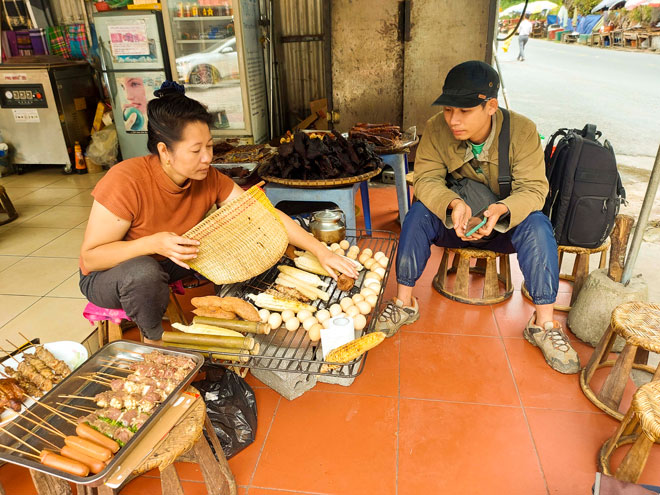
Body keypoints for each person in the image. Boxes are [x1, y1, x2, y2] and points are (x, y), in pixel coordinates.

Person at [79, 81, 357, 345]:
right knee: (144, 271)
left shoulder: (208, 177)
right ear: (164, 151)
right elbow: (92, 258)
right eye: (196, 150)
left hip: (171, 258)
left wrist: (320, 251)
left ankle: (241, 305)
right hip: (111, 274)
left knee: (245, 233)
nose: (207, 158)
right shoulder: (126, 181)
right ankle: (154, 341)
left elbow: (266, 217)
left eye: (209, 146)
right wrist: (153, 243)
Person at [375, 61, 579, 375]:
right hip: (453, 222)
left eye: (464, 111)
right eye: (447, 110)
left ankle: (544, 324)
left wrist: (502, 211)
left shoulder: (522, 132)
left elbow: (535, 189)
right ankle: (403, 303)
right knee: (416, 214)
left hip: (502, 227)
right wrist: (452, 203)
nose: (453, 120)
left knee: (539, 225)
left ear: (490, 106)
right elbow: (427, 178)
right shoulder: (436, 128)